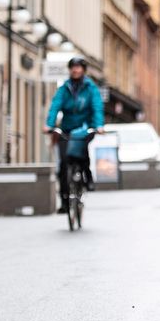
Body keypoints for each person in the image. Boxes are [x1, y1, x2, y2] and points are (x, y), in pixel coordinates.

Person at [43, 57, 105, 213]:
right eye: (73, 67)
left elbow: (97, 107)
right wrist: (49, 124)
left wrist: (99, 125)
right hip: (67, 129)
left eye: (78, 67)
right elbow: (55, 106)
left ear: (83, 70)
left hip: (85, 128)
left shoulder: (91, 88)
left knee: (81, 152)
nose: (75, 70)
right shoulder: (64, 88)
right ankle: (64, 201)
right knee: (64, 163)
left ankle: (87, 176)